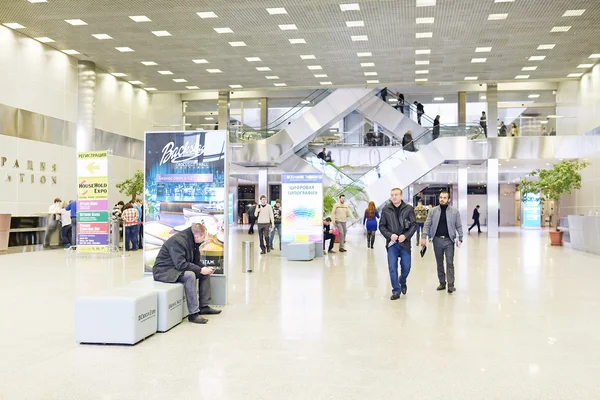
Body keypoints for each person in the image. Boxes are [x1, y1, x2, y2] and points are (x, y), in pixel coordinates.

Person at [152, 223, 221, 324]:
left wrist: (204, 268)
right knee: (190, 275)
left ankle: (204, 306)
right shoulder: (178, 241)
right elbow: (181, 264)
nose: (204, 239)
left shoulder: (193, 241)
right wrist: (200, 270)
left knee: (204, 273)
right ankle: (193, 314)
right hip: (164, 271)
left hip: (175, 268)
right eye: (204, 237)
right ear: (197, 236)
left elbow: (196, 262)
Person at [421, 191, 463, 294]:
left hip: (449, 240)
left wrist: (460, 238)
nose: (442, 199)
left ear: (448, 200)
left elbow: (459, 225)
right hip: (437, 240)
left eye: (444, 197)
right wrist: (423, 237)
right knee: (439, 263)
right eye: (440, 197)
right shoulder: (433, 211)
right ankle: (442, 282)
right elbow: (427, 224)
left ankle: (451, 284)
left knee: (449, 263)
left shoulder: (455, 212)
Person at [379, 188, 417, 300]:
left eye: (396, 194)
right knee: (392, 267)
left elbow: (414, 225)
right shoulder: (386, 209)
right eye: (392, 195)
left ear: (401, 196)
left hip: (404, 243)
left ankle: (402, 280)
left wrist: (405, 236)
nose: (394, 197)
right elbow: (381, 226)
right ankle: (396, 290)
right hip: (392, 244)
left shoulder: (409, 209)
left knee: (406, 267)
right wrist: (390, 235)